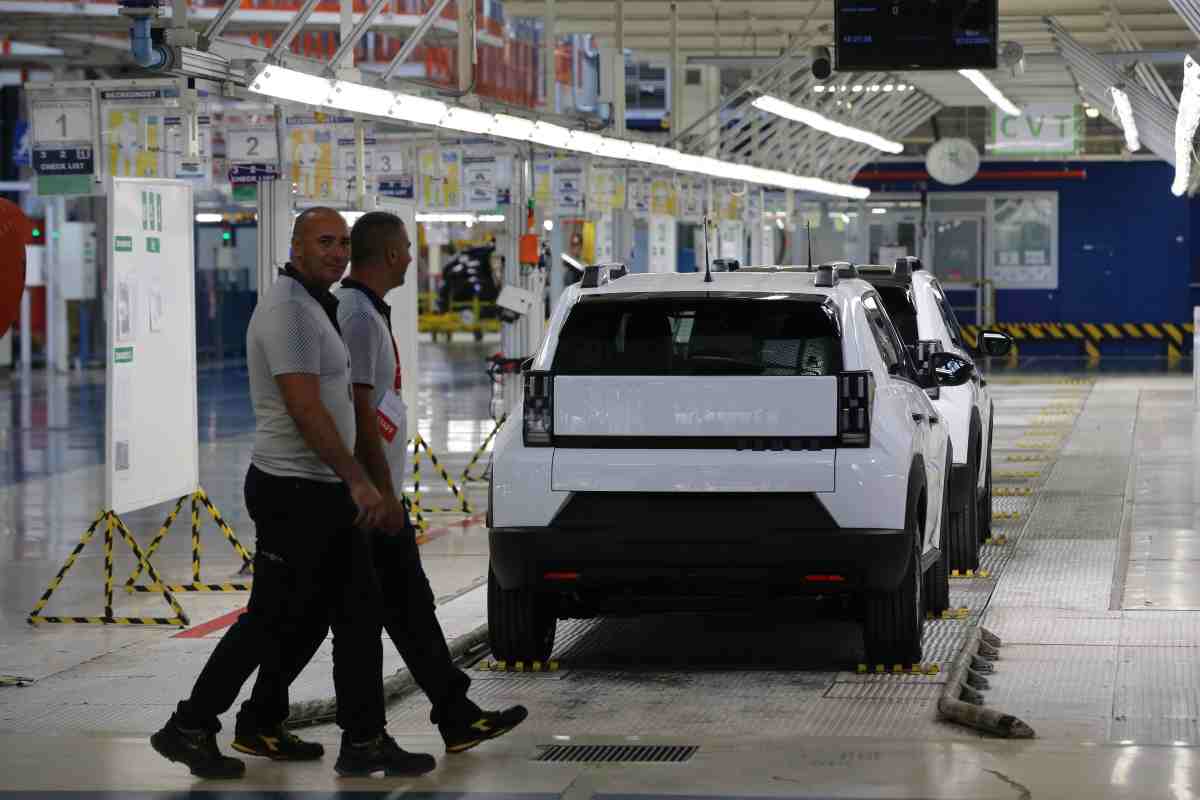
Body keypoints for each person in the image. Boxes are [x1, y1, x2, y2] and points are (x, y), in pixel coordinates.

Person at [151, 207, 435, 779]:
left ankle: (361, 740)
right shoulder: (291, 314)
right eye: (323, 242)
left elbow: (340, 406)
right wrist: (358, 481)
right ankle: (190, 724)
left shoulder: (316, 306)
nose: (335, 252)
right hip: (296, 492)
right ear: (297, 247)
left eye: (342, 243)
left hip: (319, 489)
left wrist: (361, 481)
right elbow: (307, 410)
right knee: (272, 618)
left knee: (353, 615)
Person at [248, 210, 528, 754]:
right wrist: (373, 488)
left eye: (342, 242)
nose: (411, 256)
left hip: (372, 494)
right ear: (395, 254)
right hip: (359, 499)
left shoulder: (361, 310)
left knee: (397, 609)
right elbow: (351, 407)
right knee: (336, 616)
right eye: (406, 248)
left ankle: (450, 712)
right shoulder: (352, 313)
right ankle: (313, 725)